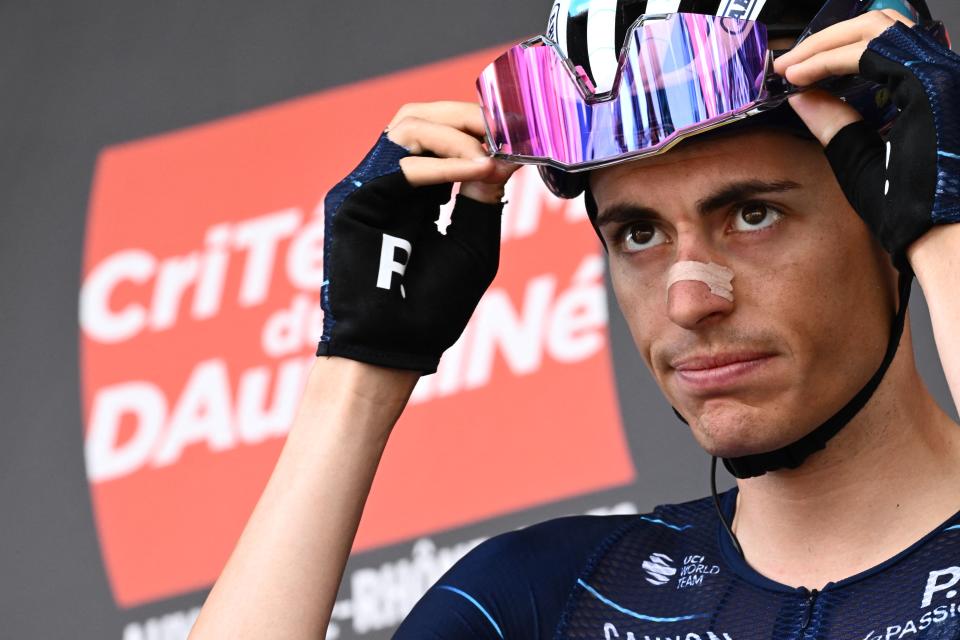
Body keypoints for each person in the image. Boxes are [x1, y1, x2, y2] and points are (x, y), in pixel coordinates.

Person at [189, 0, 960, 638]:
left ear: (890, 214)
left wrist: (949, 235)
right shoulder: (548, 597)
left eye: (753, 214)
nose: (689, 300)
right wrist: (356, 374)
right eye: (639, 233)